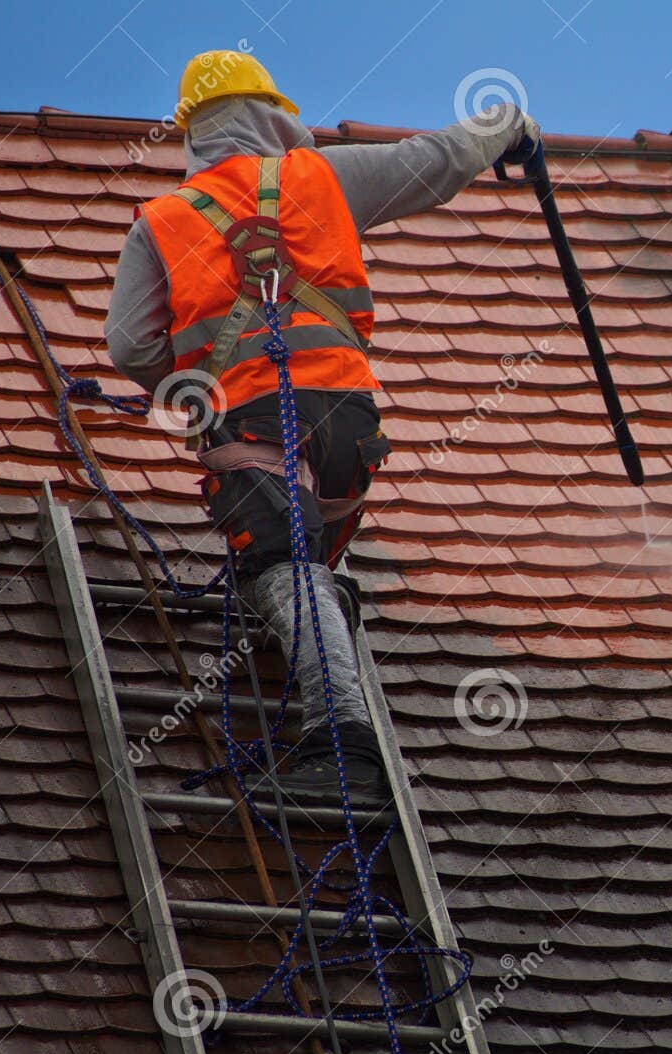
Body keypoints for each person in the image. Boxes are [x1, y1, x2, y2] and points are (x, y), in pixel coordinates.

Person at [106, 51, 538, 805]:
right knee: (309, 560)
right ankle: (325, 622)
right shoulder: (321, 177)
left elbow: (130, 346)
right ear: (275, 112)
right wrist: (506, 127)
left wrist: (194, 390)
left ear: (191, 133)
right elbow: (434, 162)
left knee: (284, 567)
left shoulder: (165, 221)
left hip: (252, 423)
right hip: (348, 422)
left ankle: (342, 749)